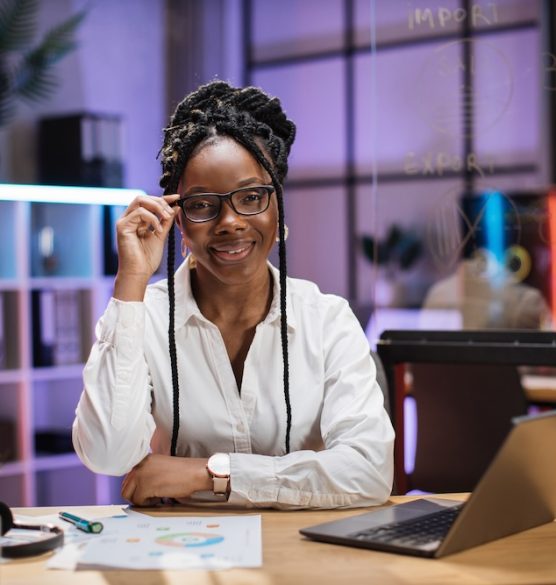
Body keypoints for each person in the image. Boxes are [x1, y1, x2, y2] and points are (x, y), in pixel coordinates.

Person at [72, 80, 394, 509]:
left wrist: (210, 474)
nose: (230, 222)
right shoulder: (144, 317)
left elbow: (369, 472)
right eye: (203, 204)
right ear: (179, 221)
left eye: (251, 197)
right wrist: (130, 282)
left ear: (277, 208)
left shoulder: (327, 319)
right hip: (182, 553)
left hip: (304, 552)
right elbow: (108, 455)